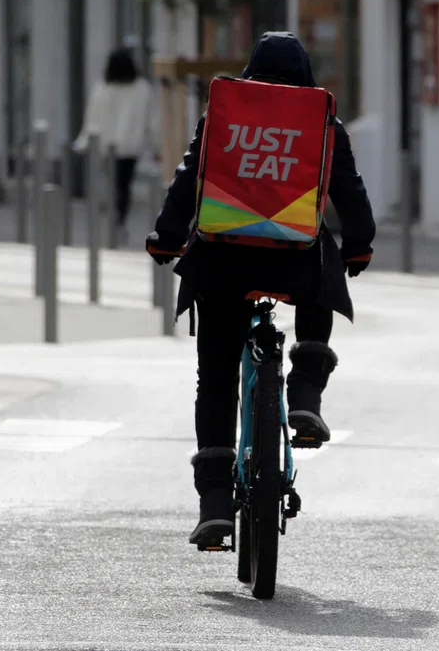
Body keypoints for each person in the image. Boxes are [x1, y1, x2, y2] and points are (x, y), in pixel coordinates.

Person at [145, 32, 376, 546]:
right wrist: (359, 245)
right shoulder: (321, 120)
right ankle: (307, 392)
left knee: (218, 375)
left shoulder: (225, 114)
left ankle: (214, 504)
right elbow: (349, 189)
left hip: (224, 263)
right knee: (325, 265)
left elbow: (190, 177)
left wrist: (165, 238)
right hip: (293, 262)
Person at [74, 49, 159, 246]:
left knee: (113, 183)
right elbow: (152, 119)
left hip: (106, 144)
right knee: (124, 184)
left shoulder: (102, 87)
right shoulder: (142, 88)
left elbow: (92, 117)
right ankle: (119, 217)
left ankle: (115, 216)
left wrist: (85, 140)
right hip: (130, 146)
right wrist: (155, 143)